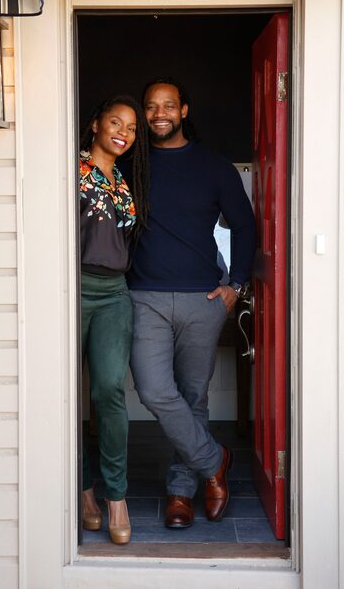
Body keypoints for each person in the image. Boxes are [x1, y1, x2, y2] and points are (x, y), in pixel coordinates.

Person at [127, 78, 256, 529]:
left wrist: (235, 285)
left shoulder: (214, 167)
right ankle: (213, 461)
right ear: (143, 114)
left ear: (183, 110)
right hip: (145, 296)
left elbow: (245, 225)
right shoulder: (132, 165)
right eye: (150, 107)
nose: (159, 113)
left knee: (193, 397)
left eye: (168, 105)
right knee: (154, 391)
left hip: (204, 298)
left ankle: (181, 492)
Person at [79, 95, 149, 544]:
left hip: (114, 294)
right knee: (68, 395)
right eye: (115, 122)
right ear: (95, 125)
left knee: (108, 390)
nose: (123, 131)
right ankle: (83, 489)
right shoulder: (73, 170)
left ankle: (116, 496)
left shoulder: (124, 180)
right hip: (71, 289)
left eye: (131, 127)